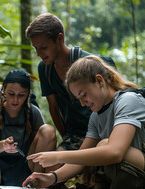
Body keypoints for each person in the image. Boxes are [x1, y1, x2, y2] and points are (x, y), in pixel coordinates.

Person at [23, 55, 145, 189]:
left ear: (100, 81)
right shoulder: (96, 116)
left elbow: (114, 152)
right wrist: (52, 177)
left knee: (105, 145)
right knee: (98, 149)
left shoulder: (128, 100)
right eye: (78, 98)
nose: (82, 103)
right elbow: (81, 158)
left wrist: (58, 156)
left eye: (84, 94)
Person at [25, 13, 115, 172]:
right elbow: (53, 107)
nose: (38, 53)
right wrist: (65, 138)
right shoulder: (45, 68)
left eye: (43, 47)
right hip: (74, 135)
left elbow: (112, 103)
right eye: (35, 48)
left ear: (59, 38)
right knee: (51, 170)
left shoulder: (90, 64)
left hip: (101, 134)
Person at [0, 69, 56, 186]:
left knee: (48, 130)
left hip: (26, 162)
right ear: (3, 91)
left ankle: (35, 181)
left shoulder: (33, 112)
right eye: (11, 94)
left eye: (21, 95)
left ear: (28, 93)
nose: (15, 100)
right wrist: (3, 145)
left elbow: (44, 141)